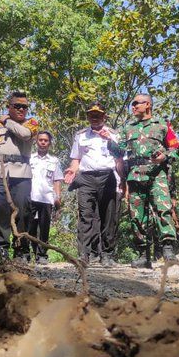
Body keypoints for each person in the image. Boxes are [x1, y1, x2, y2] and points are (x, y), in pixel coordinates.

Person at [109, 93, 179, 268]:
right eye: (132, 104)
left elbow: (176, 148)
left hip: (157, 174)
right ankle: (143, 255)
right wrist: (109, 142)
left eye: (136, 103)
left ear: (147, 105)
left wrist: (164, 156)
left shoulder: (163, 125)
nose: (133, 107)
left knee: (162, 209)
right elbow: (119, 152)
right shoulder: (127, 129)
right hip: (135, 175)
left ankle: (168, 251)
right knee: (137, 215)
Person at [0, 91, 38, 260]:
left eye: (24, 107)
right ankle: (2, 249)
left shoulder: (31, 123)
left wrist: (7, 121)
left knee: (23, 211)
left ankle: (22, 250)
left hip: (22, 173)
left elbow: (24, 135)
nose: (21, 109)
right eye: (17, 106)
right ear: (8, 106)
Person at [64, 101, 123, 267]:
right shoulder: (81, 135)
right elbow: (76, 159)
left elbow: (120, 157)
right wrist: (72, 170)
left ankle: (107, 254)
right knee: (86, 216)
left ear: (104, 116)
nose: (95, 117)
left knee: (109, 216)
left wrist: (123, 181)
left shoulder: (114, 134)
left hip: (108, 177)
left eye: (98, 115)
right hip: (86, 179)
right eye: (91, 115)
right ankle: (84, 254)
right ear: (88, 117)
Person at [22, 131, 63, 264]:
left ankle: (42, 255)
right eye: (41, 140)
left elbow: (57, 180)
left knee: (44, 227)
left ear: (49, 143)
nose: (43, 142)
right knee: (29, 227)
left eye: (46, 140)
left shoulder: (54, 161)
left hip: (47, 199)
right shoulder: (29, 158)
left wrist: (58, 198)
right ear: (36, 142)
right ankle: (26, 253)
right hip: (30, 197)